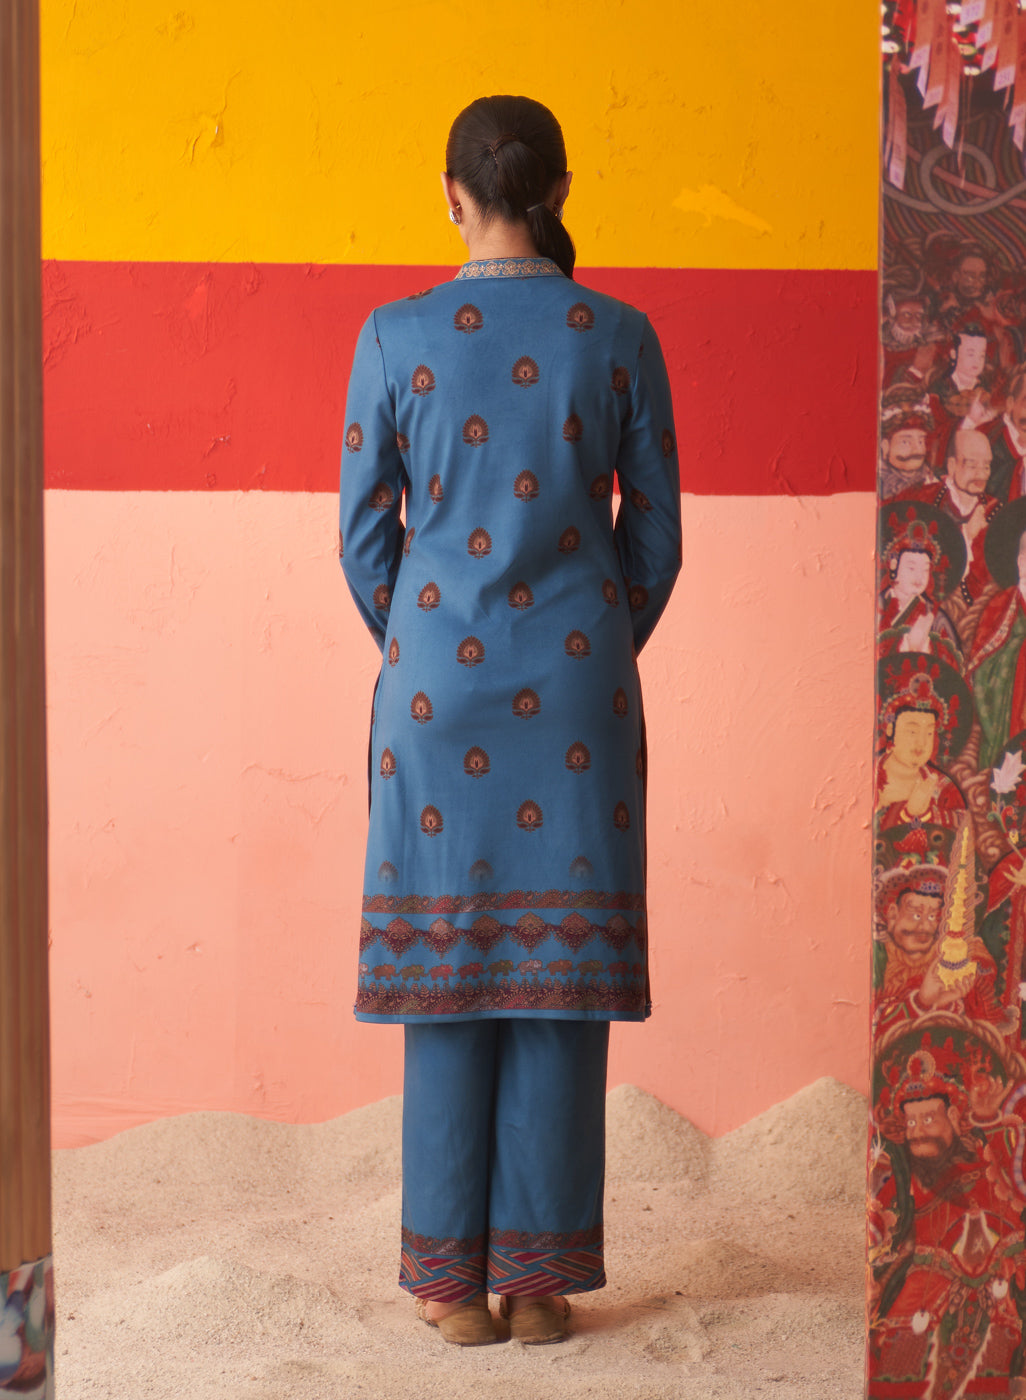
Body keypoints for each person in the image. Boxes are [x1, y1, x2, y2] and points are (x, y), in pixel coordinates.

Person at [338, 95, 681, 1348]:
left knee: (449, 973)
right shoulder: (621, 334)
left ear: (451, 195)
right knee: (558, 979)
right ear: (560, 190)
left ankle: (447, 1289)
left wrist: (423, 643)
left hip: (433, 690)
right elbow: (655, 538)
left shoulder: (393, 334)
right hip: (580, 684)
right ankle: (538, 1284)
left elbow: (363, 537)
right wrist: (590, 642)